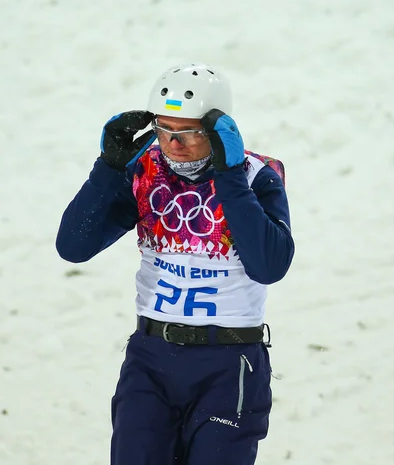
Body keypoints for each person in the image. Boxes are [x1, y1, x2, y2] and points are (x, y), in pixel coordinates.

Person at [56, 63, 295, 465]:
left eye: (188, 133)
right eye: (164, 130)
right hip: (152, 359)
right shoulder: (144, 172)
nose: (173, 144)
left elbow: (269, 265)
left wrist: (229, 175)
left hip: (228, 363)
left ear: (219, 129)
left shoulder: (257, 176)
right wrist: (109, 169)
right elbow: (73, 246)